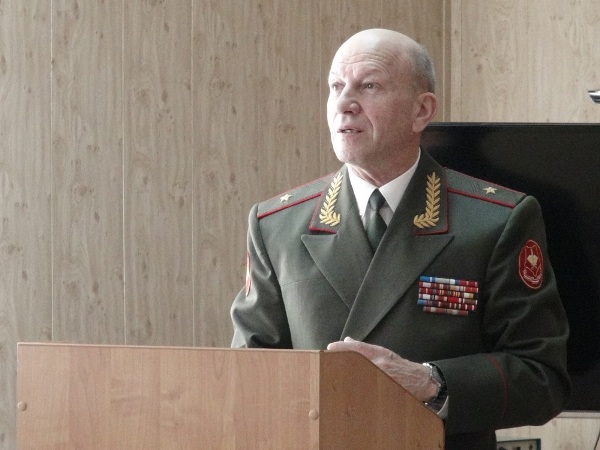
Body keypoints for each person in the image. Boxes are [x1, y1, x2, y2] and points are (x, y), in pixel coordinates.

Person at [230, 28, 570, 449]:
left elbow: (542, 378)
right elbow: (249, 376)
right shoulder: (277, 224)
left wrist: (431, 382)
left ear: (421, 111)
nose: (344, 103)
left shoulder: (495, 220)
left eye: (368, 86)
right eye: (336, 86)